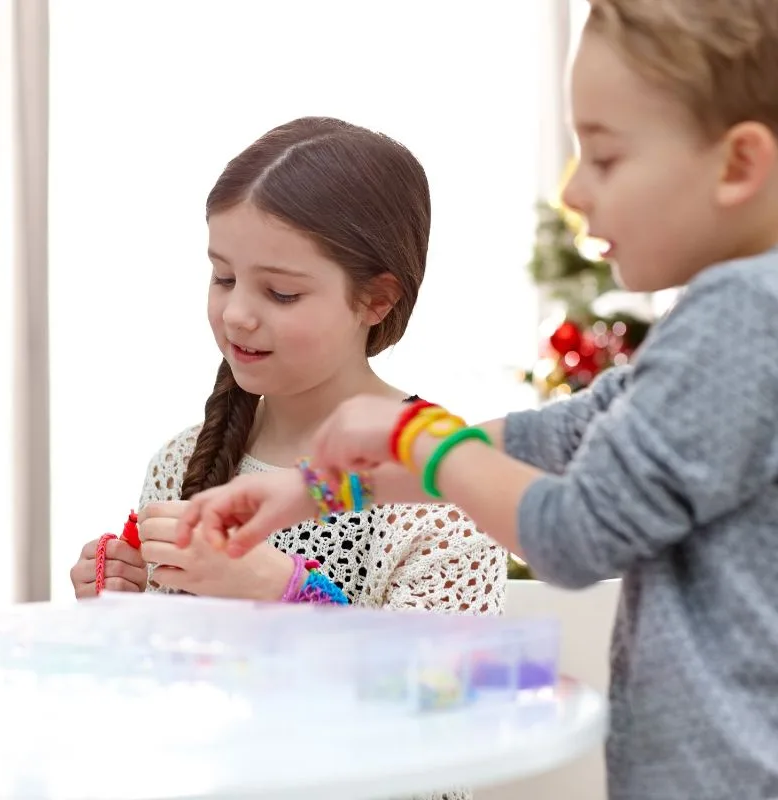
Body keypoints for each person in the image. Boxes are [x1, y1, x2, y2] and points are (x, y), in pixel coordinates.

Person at [178, 3, 778, 797]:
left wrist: (418, 436)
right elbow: (560, 435)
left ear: (738, 164)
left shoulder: (744, 318)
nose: (574, 191)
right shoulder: (732, 315)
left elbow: (574, 532)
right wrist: (312, 490)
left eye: (602, 157)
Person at [70, 116, 505, 617]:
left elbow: (442, 684)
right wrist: (117, 608)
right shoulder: (182, 462)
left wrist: (287, 590)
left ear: (378, 299)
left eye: (282, 293)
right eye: (224, 277)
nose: (236, 315)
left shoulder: (442, 487)